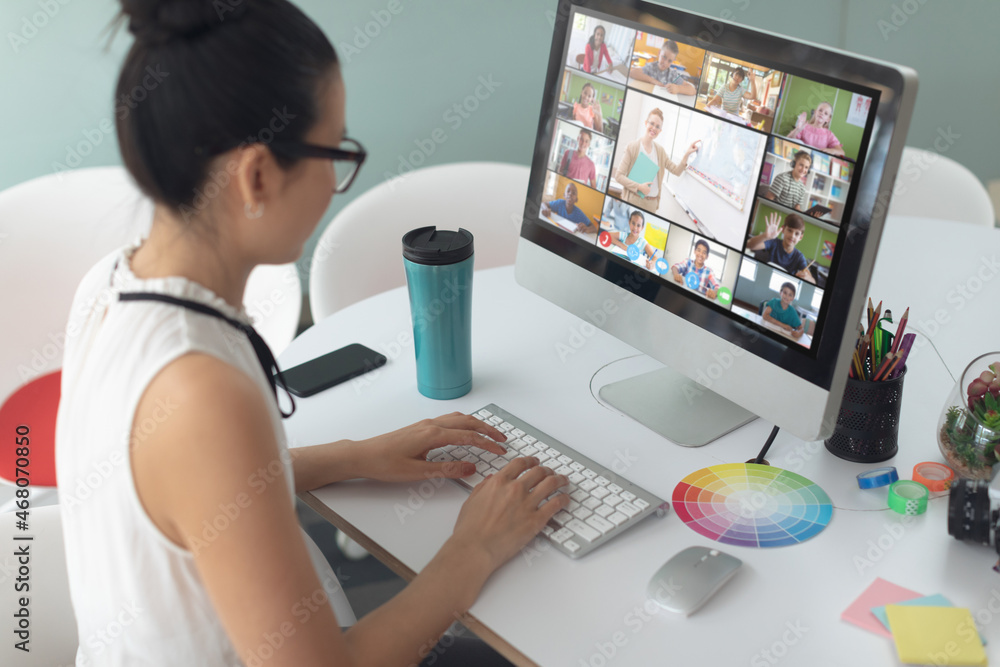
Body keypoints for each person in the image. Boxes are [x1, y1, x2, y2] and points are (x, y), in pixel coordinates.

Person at [56, 2, 570, 666]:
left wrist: (357, 454)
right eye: (335, 152)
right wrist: (476, 547)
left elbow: (196, 490)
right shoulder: (202, 392)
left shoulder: (108, 285)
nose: (335, 182)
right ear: (258, 174)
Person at [613, 108, 699, 213]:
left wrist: (687, 154)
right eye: (652, 123)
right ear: (646, 123)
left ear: (660, 131)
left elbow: (676, 171)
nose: (654, 128)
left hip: (651, 204)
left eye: (658, 126)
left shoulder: (660, 151)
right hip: (633, 200)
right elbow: (619, 176)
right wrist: (639, 187)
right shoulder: (633, 147)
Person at [747, 212, 816, 284]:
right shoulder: (774, 242)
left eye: (797, 233)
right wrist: (765, 236)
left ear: (800, 237)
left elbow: (813, 281)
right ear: (783, 230)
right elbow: (749, 245)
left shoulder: (799, 257)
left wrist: (807, 277)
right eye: (789, 230)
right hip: (765, 279)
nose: (792, 236)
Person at [627, 41, 696, 95]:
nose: (665, 63)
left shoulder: (672, 75)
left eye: (669, 61)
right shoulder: (651, 67)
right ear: (659, 53)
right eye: (664, 57)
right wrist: (652, 80)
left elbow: (693, 90)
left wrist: (678, 89)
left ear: (673, 61)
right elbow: (632, 73)